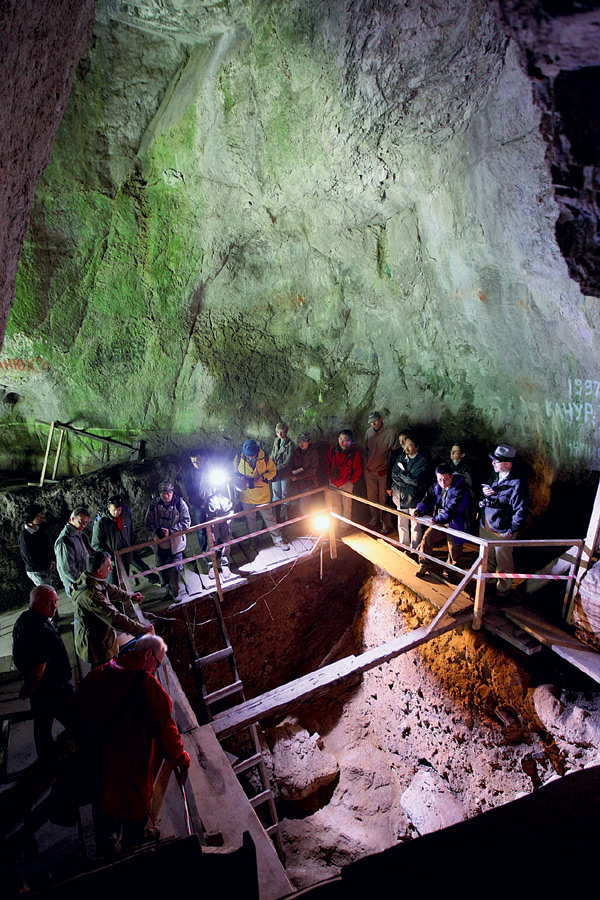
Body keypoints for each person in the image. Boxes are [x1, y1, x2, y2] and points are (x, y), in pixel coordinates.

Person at [72, 634, 190, 857]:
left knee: (103, 814)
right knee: (133, 819)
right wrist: (181, 757)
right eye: (157, 662)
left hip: (98, 765)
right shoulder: (148, 687)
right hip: (131, 771)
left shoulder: (99, 673)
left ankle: (105, 853)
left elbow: (76, 710)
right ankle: (132, 852)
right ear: (147, 654)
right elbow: (166, 729)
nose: (157, 668)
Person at [12, 585, 73, 768]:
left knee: (42, 727)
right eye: (49, 603)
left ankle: (48, 763)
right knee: (76, 720)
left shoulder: (24, 619)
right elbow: (39, 668)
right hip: (54, 688)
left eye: (55, 602)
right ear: (35, 603)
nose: (54, 607)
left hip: (41, 690)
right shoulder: (41, 630)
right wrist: (29, 687)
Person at [72, 551, 152, 665]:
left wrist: (130, 596)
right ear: (99, 571)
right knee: (106, 672)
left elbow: (111, 589)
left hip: (101, 636)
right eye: (109, 566)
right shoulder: (91, 595)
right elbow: (114, 618)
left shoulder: (91, 579)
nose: (111, 568)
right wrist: (140, 628)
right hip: (97, 645)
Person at [479, 444, 530, 595]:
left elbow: (521, 510)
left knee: (503, 563)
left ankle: (503, 591)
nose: (493, 463)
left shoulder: (518, 483)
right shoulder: (495, 475)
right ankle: (489, 584)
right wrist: (486, 493)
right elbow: (494, 495)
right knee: (488, 559)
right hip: (487, 525)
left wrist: (511, 530)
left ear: (508, 464)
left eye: (496, 461)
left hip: (502, 531)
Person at [413, 464, 470, 578]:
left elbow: (453, 508)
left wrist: (435, 519)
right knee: (428, 537)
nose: (443, 482)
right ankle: (425, 564)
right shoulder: (437, 486)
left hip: (456, 522)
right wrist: (419, 509)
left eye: (445, 479)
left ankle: (450, 570)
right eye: (440, 479)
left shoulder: (460, 489)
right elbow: (429, 497)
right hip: (441, 519)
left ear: (451, 476)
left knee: (454, 547)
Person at [234, 439, 289, 551]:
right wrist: (241, 479)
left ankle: (278, 539)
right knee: (250, 519)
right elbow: (234, 474)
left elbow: (273, 471)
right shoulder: (238, 458)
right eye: (248, 456)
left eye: (253, 456)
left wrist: (263, 477)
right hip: (247, 495)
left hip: (262, 495)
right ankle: (254, 539)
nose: (250, 458)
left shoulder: (265, 457)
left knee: (269, 517)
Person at [92, 495, 159, 586]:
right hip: (114, 558)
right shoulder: (101, 524)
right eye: (114, 510)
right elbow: (96, 545)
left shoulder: (126, 517)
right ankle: (116, 599)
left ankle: (154, 579)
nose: (117, 512)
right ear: (108, 508)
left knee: (140, 566)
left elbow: (133, 531)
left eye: (119, 510)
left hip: (128, 551)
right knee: (115, 582)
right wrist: (110, 556)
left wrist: (131, 546)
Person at [145, 481, 191, 602]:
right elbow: (147, 524)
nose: (165, 496)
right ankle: (168, 590)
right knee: (162, 569)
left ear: (172, 493)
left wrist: (170, 531)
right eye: (163, 493)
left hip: (175, 544)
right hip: (160, 545)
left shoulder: (179, 503)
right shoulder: (153, 505)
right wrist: (155, 532)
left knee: (176, 570)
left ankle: (174, 592)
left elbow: (186, 522)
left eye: (168, 493)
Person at [387, 434, 430, 551]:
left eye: (410, 446)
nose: (407, 448)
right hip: (400, 496)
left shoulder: (422, 461)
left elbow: (416, 480)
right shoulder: (401, 457)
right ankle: (403, 544)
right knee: (402, 523)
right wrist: (407, 479)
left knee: (415, 525)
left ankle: (415, 549)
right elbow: (394, 474)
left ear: (417, 447)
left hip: (414, 497)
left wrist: (404, 477)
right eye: (406, 445)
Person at [199, 461, 238, 579]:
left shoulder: (227, 474)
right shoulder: (206, 476)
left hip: (227, 512)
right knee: (212, 541)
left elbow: (241, 486)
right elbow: (202, 494)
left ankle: (225, 565)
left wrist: (232, 479)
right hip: (212, 515)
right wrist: (213, 486)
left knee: (227, 539)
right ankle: (212, 565)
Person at [364, 411, 397, 534]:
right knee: (371, 496)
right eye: (371, 422)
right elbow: (366, 450)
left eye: (375, 421)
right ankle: (375, 518)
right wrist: (366, 465)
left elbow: (393, 453)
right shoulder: (368, 432)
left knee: (383, 497)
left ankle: (386, 523)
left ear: (380, 419)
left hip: (383, 469)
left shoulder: (390, 432)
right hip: (370, 469)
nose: (373, 423)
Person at [326, 430, 362, 532]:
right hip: (333, 482)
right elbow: (328, 463)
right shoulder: (333, 450)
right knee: (335, 504)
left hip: (346, 483)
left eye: (345, 440)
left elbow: (358, 469)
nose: (342, 442)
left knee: (347, 506)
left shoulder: (354, 453)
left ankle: (344, 525)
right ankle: (335, 523)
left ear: (350, 441)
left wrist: (352, 481)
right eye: (340, 439)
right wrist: (330, 476)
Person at [54, 506, 92, 595]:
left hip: (85, 580)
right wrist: (83, 581)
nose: (84, 525)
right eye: (80, 522)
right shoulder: (65, 540)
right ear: (72, 519)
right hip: (76, 585)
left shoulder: (81, 535)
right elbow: (68, 569)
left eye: (86, 522)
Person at [18, 504, 56, 586]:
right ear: (31, 518)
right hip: (36, 571)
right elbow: (30, 559)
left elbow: (48, 546)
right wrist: (48, 564)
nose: (41, 517)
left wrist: (52, 561)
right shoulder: (24, 536)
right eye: (38, 516)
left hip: (45, 567)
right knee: (47, 592)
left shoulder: (39, 530)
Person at [289, 432, 320, 515]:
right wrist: (292, 474)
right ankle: (299, 523)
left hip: (308, 483)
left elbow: (312, 470)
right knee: (296, 505)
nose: (301, 443)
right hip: (296, 484)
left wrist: (298, 477)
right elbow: (290, 464)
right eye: (300, 441)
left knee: (304, 506)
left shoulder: (313, 453)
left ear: (309, 442)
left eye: (304, 441)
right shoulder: (295, 452)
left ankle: (306, 524)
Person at [184, 451, 208, 554]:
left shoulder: (209, 470)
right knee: (201, 528)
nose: (196, 463)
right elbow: (190, 491)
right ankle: (204, 550)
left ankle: (216, 547)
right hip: (198, 505)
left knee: (214, 526)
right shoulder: (190, 474)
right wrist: (199, 503)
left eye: (198, 460)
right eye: (193, 461)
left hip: (210, 502)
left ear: (203, 458)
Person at [270, 423, 294, 522]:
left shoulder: (290, 444)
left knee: (285, 493)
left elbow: (288, 460)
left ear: (286, 432)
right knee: (276, 493)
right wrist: (270, 465)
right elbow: (273, 454)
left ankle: (286, 516)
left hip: (284, 472)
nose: (280, 434)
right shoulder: (276, 441)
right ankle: (277, 516)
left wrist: (276, 467)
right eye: (278, 432)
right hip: (275, 472)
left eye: (282, 432)